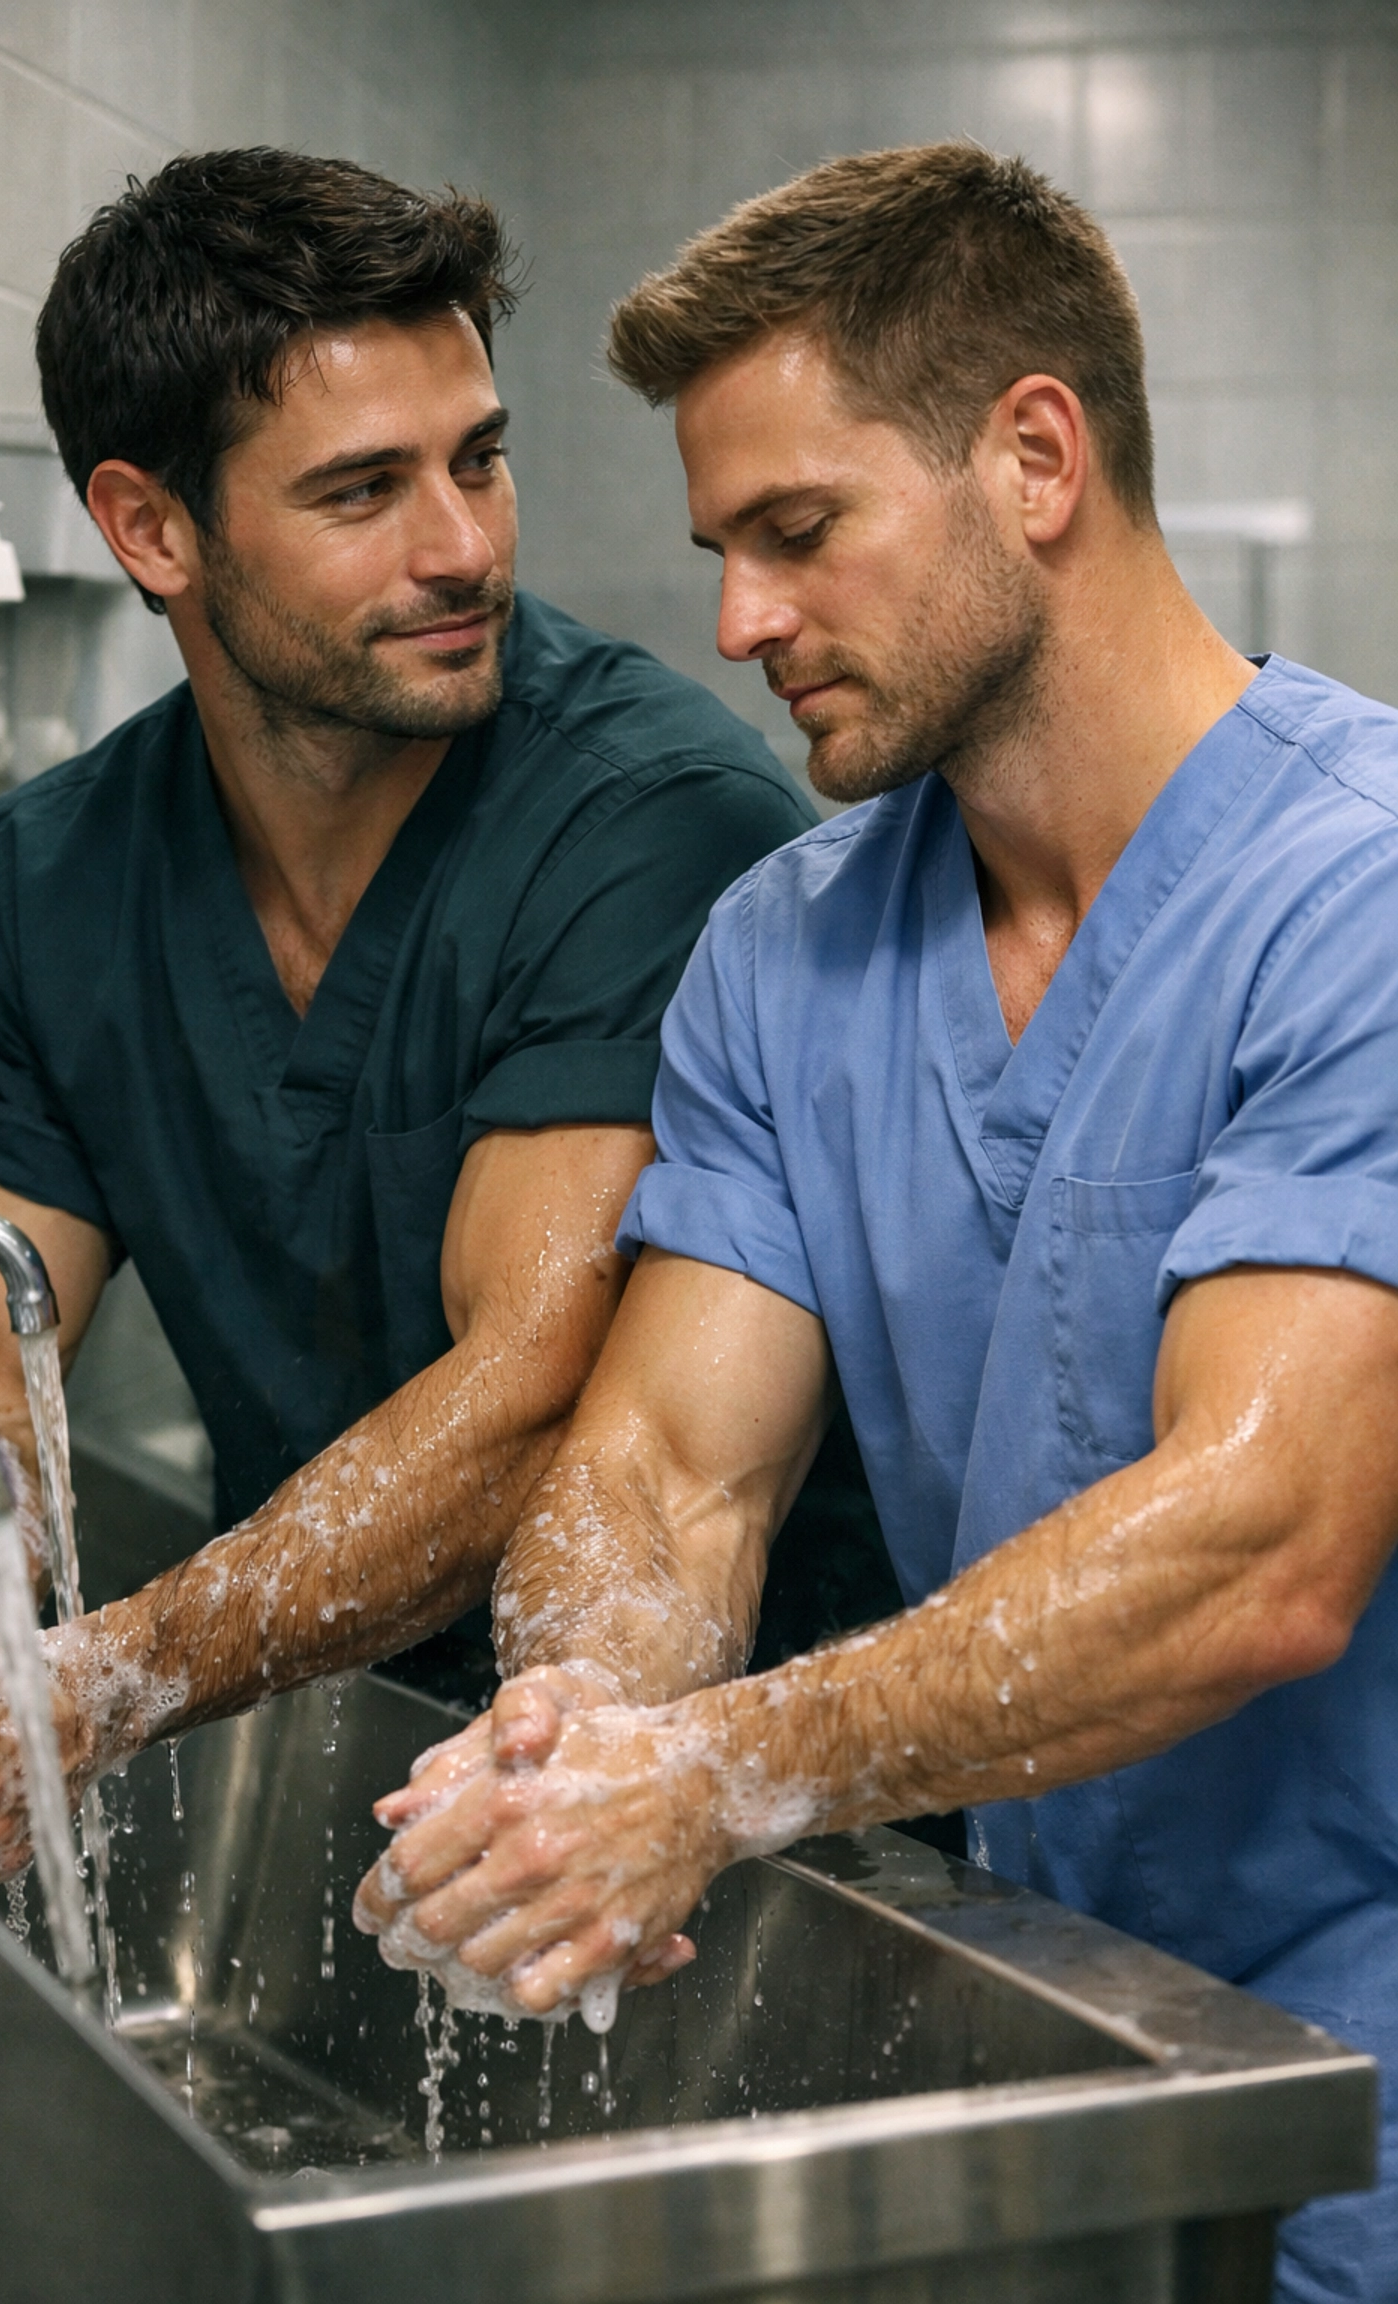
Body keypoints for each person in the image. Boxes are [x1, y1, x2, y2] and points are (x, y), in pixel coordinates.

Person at [357, 146, 1398, 2303]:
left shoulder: (1357, 899)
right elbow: (663, 1476)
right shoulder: (788, 949)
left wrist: (719, 1773)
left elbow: (1267, 1543)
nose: (738, 620)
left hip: (1360, 2074)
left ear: (1035, 457)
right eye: (722, 547)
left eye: (796, 534)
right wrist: (580, 1736)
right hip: (1058, 2035)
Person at [0, 149, 820, 1891]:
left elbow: (530, 1383)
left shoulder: (652, 818)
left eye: (481, 458)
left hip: (696, 1819)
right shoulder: (42, 882)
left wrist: (93, 1682)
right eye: (363, 489)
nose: (462, 546)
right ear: (150, 528)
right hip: (328, 1747)